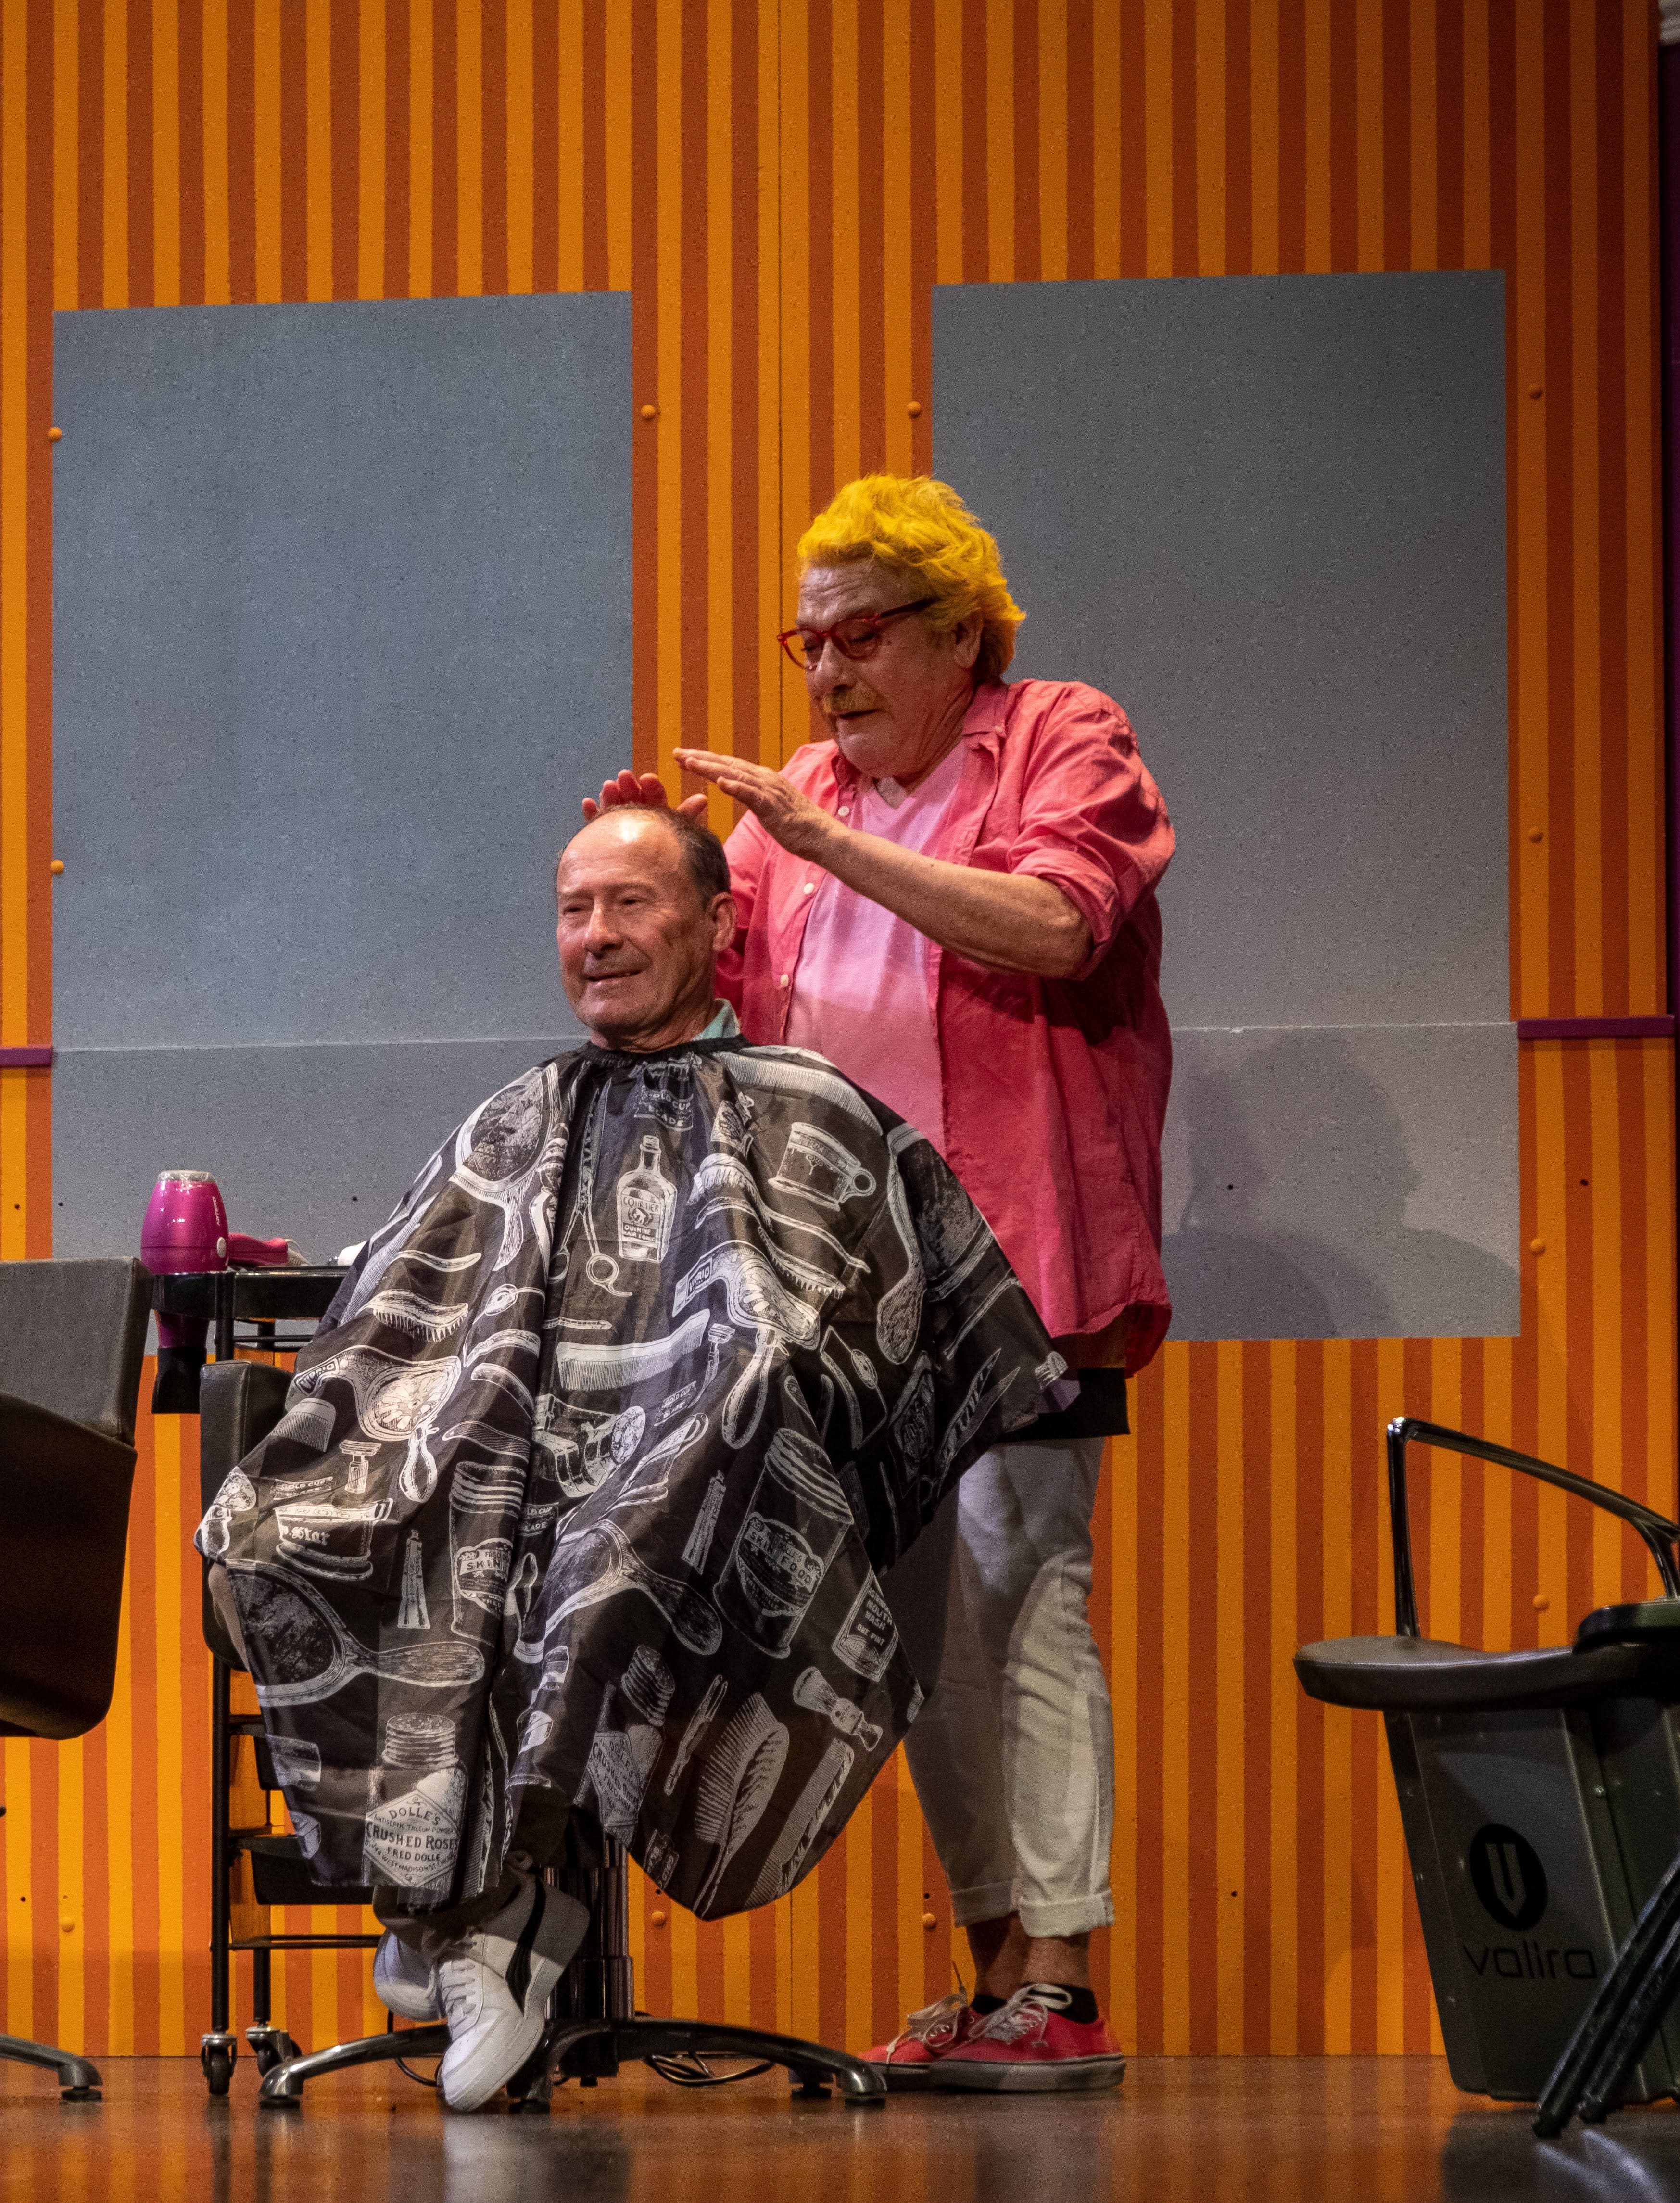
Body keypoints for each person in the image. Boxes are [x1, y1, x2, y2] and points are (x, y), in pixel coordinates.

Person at [198, 803, 1067, 2111]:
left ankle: (479, 1911)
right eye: (574, 910)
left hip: (706, 1486)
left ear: (718, 923)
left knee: (600, 1548)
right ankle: (471, 1904)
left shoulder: (811, 1108)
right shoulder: (517, 1115)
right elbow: (399, 1323)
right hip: (501, 1474)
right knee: (285, 1530)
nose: (596, 935)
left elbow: (869, 1345)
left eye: (631, 904)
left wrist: (733, 1379)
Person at [586, 474, 1172, 2091]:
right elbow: (722, 999)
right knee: (918, 1634)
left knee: (1024, 1582)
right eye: (811, 642)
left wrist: (820, 839)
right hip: (847, 1288)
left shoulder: (1059, 736)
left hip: (1019, 1258)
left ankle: (1064, 1978)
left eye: (859, 636)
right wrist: (661, 885)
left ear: (960, 632)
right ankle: (995, 1974)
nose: (829, 671)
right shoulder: (798, 803)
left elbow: (1057, 924)